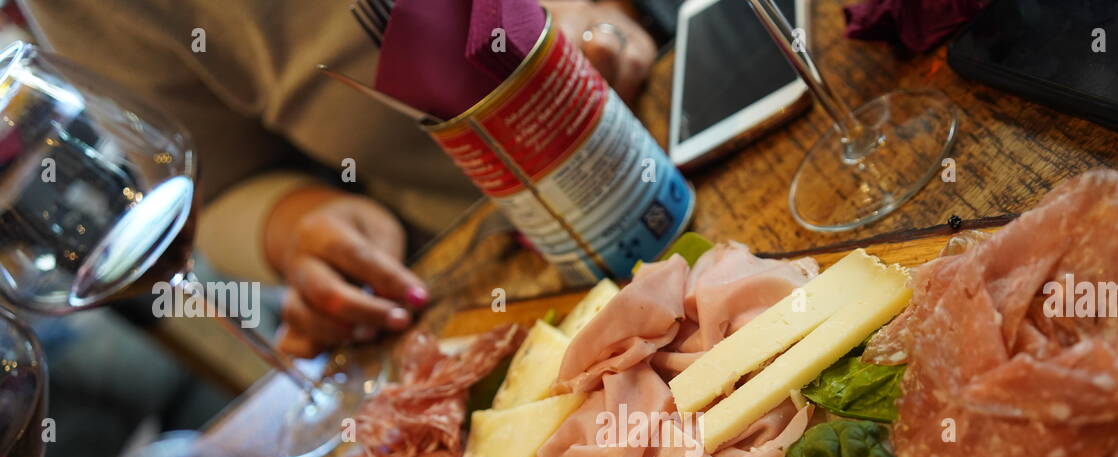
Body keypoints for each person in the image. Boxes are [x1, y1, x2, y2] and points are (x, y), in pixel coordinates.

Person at [19, 0, 658, 358]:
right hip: (503, 274)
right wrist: (299, 226)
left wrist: (601, 12)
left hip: (681, 96)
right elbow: (217, 188)